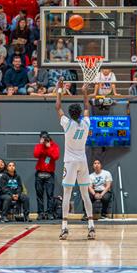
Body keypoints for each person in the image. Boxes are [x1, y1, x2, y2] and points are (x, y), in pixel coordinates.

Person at [55, 81, 95, 240]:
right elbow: (87, 106)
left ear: (70, 114)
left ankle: (64, 227)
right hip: (82, 161)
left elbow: (58, 107)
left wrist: (59, 89)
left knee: (67, 194)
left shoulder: (67, 123)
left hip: (70, 162)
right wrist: (85, 91)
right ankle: (91, 227)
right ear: (79, 113)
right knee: (85, 195)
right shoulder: (86, 123)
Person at [34, 131, 60, 220]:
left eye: (45, 138)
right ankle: (40, 213)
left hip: (49, 174)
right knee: (39, 195)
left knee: (50, 195)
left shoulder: (54, 145)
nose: (44, 140)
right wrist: (41, 145)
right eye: (42, 138)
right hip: (39, 173)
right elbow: (36, 154)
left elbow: (56, 156)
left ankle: (49, 213)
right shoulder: (39, 145)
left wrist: (49, 148)